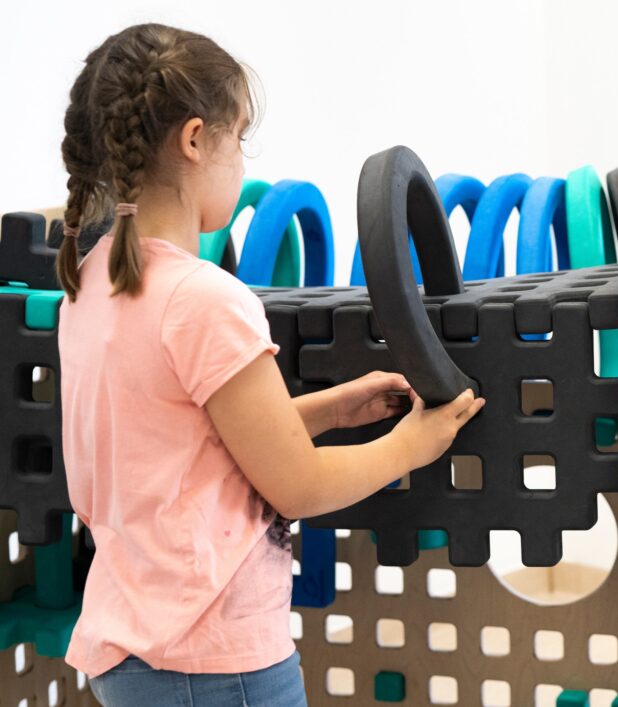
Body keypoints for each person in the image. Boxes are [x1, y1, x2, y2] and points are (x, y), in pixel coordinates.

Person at [55, 23, 485, 706]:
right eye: (239, 137)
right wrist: (413, 444)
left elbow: (177, 444)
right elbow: (298, 487)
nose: (241, 160)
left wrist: (331, 410)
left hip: (130, 650)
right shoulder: (204, 300)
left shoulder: (90, 286)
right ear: (195, 139)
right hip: (214, 659)